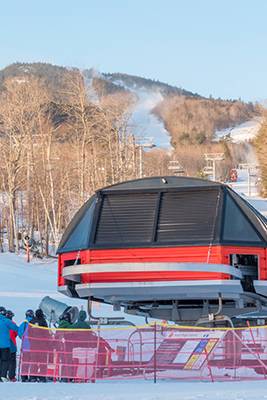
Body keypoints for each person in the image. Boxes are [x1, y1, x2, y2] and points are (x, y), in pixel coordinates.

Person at [0, 306, 18, 382]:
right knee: (5, 361)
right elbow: (17, 329)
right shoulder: (7, 321)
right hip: (5, 345)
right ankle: (3, 376)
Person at [19, 309, 34, 382]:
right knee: (33, 362)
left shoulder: (23, 324)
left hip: (25, 346)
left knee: (25, 362)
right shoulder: (33, 323)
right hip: (33, 346)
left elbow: (20, 333)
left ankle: (23, 376)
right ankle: (31, 376)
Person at [5, 310, 17, 382]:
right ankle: (11, 376)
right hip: (12, 344)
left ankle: (3, 375)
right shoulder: (13, 323)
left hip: (3, 345)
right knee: (12, 362)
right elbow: (16, 333)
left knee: (4, 360)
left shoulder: (3, 323)